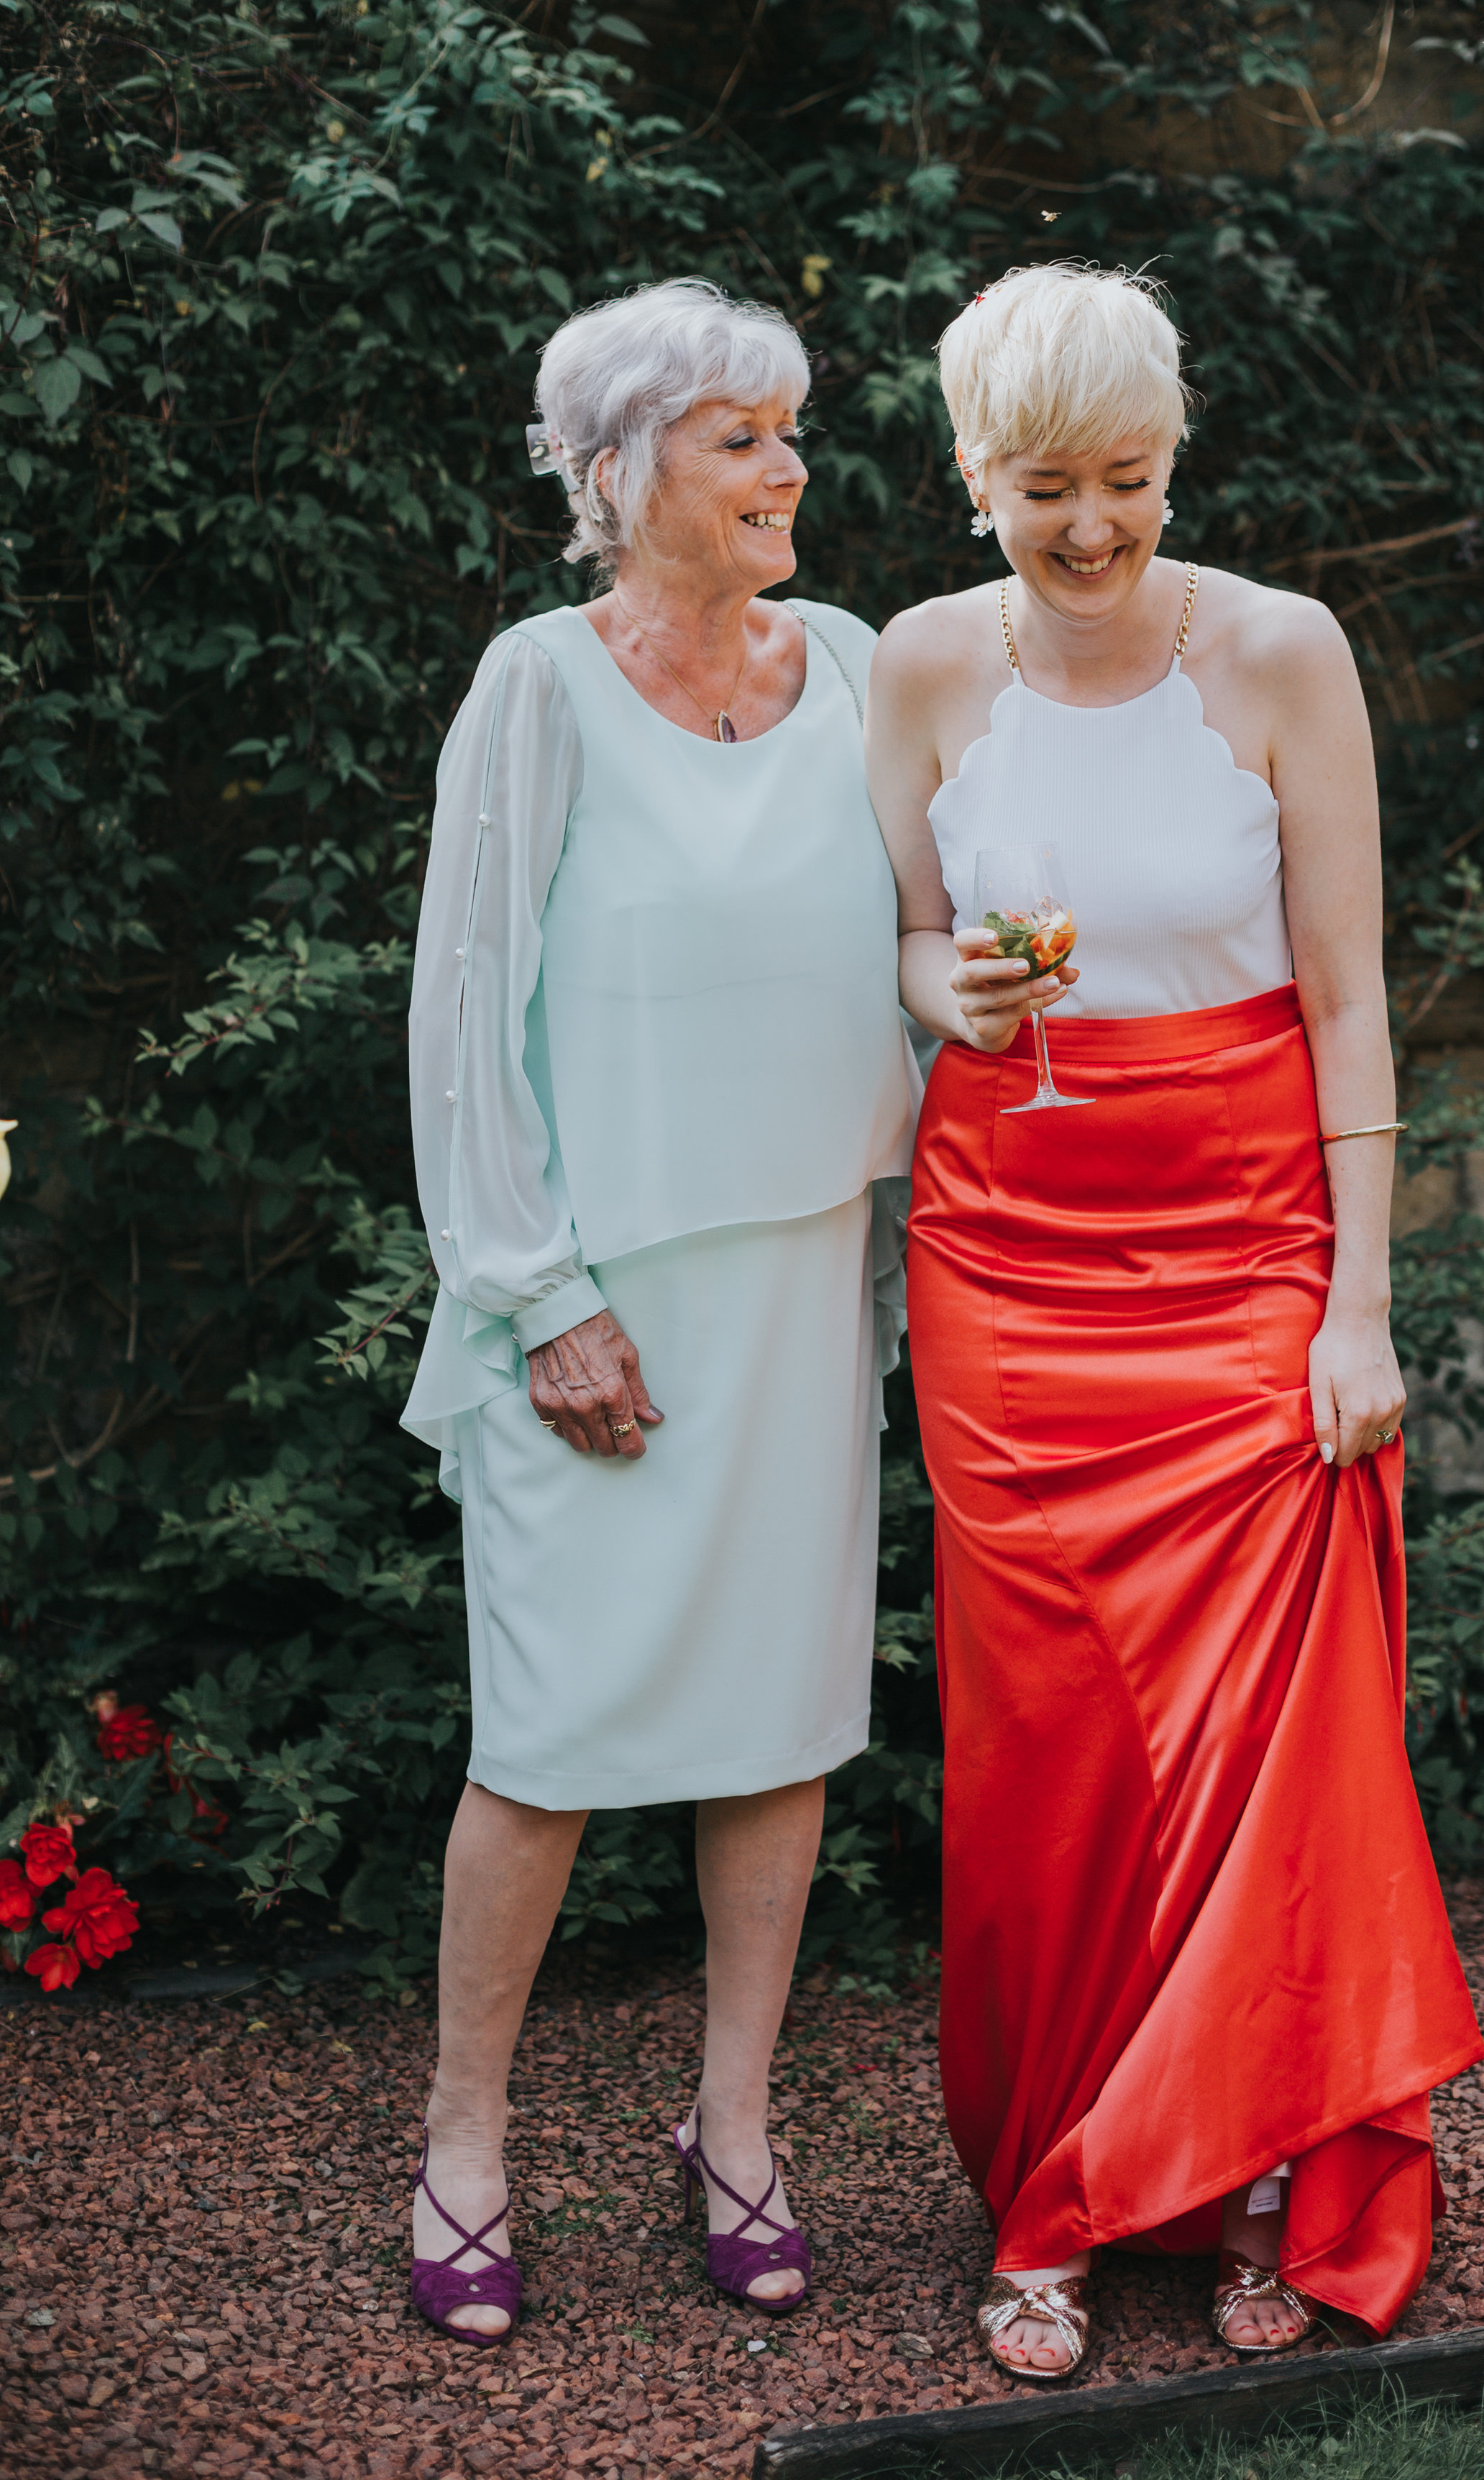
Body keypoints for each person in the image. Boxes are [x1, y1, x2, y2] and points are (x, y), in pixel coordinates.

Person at [866, 263, 1483, 2379]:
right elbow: (914, 958)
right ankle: (1047, 2189)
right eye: (1046, 489)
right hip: (1009, 1270)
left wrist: (1356, 1305)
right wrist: (945, 989)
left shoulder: (1281, 654)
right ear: (972, 480)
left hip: (1241, 1255)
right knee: (1051, 1755)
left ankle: (1236, 2176)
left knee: (1258, 1758)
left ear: (1171, 458)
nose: (1095, 527)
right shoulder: (925, 671)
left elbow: (1346, 998)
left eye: (1127, 480)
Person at [400, 278, 917, 2346]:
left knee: (776, 1734)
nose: (789, 468)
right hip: (596, 1297)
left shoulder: (870, 668)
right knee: (547, 1739)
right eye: (738, 437)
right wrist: (536, 1294)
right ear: (620, 474)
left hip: (805, 1276)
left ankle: (735, 2129)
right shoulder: (537, 687)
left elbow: (921, 951)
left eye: (790, 431)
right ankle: (461, 2144)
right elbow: (461, 1019)